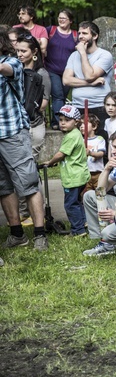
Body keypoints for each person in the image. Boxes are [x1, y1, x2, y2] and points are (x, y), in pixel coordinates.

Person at [0, 30, 48, 251]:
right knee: (4, 188)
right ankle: (17, 234)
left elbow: (7, 70)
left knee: (28, 183)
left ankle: (40, 234)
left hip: (12, 132)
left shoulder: (11, 63)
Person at [42, 105, 90, 236]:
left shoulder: (71, 136)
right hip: (80, 175)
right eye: (61, 119)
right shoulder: (75, 134)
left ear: (76, 121)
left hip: (73, 177)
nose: (62, 123)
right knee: (78, 202)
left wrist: (50, 162)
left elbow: (61, 154)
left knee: (70, 204)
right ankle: (84, 223)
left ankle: (78, 230)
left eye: (67, 120)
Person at [62, 21, 114, 137]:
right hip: (78, 107)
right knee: (81, 145)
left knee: (101, 143)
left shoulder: (105, 55)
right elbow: (66, 80)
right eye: (79, 33)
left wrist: (82, 53)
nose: (80, 36)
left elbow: (89, 75)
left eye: (85, 33)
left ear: (95, 36)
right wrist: (90, 84)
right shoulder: (73, 56)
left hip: (99, 107)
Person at [15, 33, 50, 161]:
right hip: (17, 126)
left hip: (33, 125)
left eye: (23, 51)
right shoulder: (15, 70)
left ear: (34, 51)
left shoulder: (41, 73)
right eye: (18, 50)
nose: (19, 54)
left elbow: (43, 104)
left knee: (30, 164)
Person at [45, 9, 78, 129]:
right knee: (58, 95)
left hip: (68, 72)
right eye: (60, 18)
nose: (61, 20)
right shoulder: (50, 30)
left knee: (62, 98)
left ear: (71, 21)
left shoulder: (76, 35)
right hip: (51, 69)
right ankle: (61, 123)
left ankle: (55, 121)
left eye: (64, 18)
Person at [81, 114, 106, 193]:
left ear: (94, 126)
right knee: (85, 194)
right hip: (85, 173)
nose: (81, 126)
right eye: (80, 124)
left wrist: (90, 153)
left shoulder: (99, 139)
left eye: (84, 124)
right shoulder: (80, 140)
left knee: (100, 193)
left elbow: (101, 153)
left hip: (98, 173)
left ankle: (101, 206)